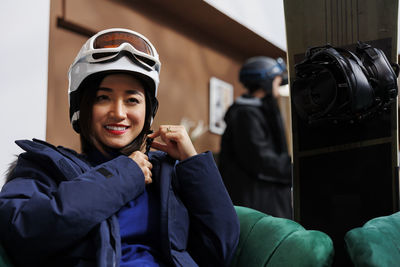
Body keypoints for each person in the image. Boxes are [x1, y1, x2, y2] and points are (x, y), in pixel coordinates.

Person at [0, 28, 239, 267]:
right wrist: (124, 174)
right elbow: (23, 233)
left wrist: (191, 162)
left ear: (148, 112)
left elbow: (220, 250)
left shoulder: (166, 173)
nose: (119, 113)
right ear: (82, 107)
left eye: (132, 100)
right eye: (103, 98)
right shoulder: (42, 166)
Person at [219, 56, 292, 219]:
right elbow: (259, 159)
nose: (279, 84)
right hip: (257, 206)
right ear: (266, 81)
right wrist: (293, 169)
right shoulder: (246, 114)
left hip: (262, 202)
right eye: (277, 80)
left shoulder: (257, 111)